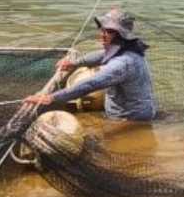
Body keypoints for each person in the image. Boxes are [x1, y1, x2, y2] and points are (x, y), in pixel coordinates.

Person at [23, 8, 157, 121]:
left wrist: (51, 97)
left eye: (109, 31)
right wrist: (74, 63)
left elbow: (91, 84)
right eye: (102, 30)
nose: (102, 35)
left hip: (130, 119)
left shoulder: (123, 63)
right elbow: (101, 55)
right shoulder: (127, 48)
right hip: (135, 111)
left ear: (121, 35)